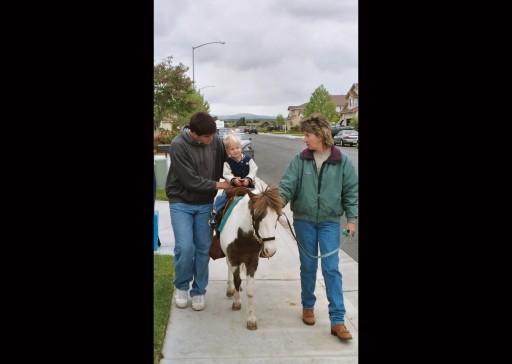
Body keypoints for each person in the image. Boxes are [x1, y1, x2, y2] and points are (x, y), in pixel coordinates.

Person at [278, 113, 358, 341]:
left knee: (332, 269)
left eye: (307, 134)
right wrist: (276, 206)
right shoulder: (300, 159)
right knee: (309, 266)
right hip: (303, 221)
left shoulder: (342, 161)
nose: (304, 139)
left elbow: (351, 192)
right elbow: (286, 186)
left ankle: (338, 320)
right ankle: (308, 306)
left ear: (321, 135)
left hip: (330, 223)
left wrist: (351, 219)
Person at [165, 111, 232, 311]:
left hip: (204, 204)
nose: (211, 140)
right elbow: (190, 180)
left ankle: (199, 291)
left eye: (213, 135)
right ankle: (182, 286)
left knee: (203, 249)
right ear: (193, 133)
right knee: (185, 248)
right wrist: (220, 185)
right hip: (181, 202)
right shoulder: (178, 145)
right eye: (207, 137)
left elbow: (224, 166)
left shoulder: (215, 142)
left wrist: (238, 176)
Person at [208, 133, 259, 227]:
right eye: (232, 149)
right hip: (233, 187)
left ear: (241, 147)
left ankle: (261, 215)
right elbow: (226, 174)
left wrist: (249, 179)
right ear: (227, 151)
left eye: (237, 148)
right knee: (222, 197)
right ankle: (215, 212)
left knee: (259, 197)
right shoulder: (228, 163)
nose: (235, 151)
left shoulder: (248, 159)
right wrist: (233, 179)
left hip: (249, 186)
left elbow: (253, 169)